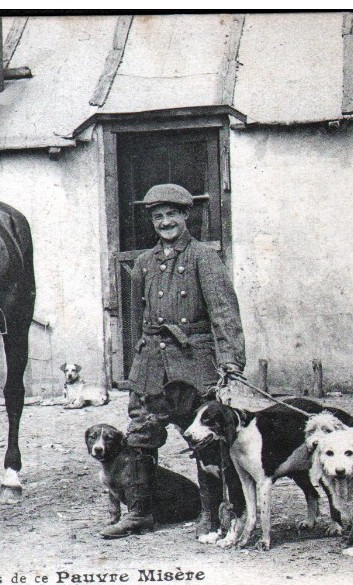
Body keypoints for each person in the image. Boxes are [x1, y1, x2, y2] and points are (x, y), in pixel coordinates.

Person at [101, 183, 246, 539]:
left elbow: (224, 313)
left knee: (206, 441)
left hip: (193, 362)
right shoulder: (145, 264)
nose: (165, 222)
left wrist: (229, 362)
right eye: (158, 216)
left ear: (185, 216)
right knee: (139, 437)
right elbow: (138, 318)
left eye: (171, 215)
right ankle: (139, 513)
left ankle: (214, 514)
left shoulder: (204, 258)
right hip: (152, 365)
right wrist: (136, 362)